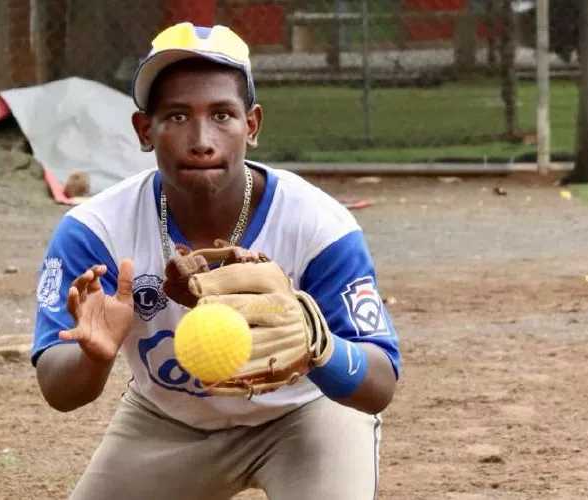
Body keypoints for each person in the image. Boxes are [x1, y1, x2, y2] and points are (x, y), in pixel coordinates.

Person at [31, 21, 402, 500]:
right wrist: (92, 356)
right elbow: (60, 393)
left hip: (304, 418)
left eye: (223, 115)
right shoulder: (97, 230)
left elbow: (379, 384)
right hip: (167, 421)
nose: (202, 138)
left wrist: (319, 344)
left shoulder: (317, 224)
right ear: (145, 130)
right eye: (178, 117)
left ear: (252, 124)